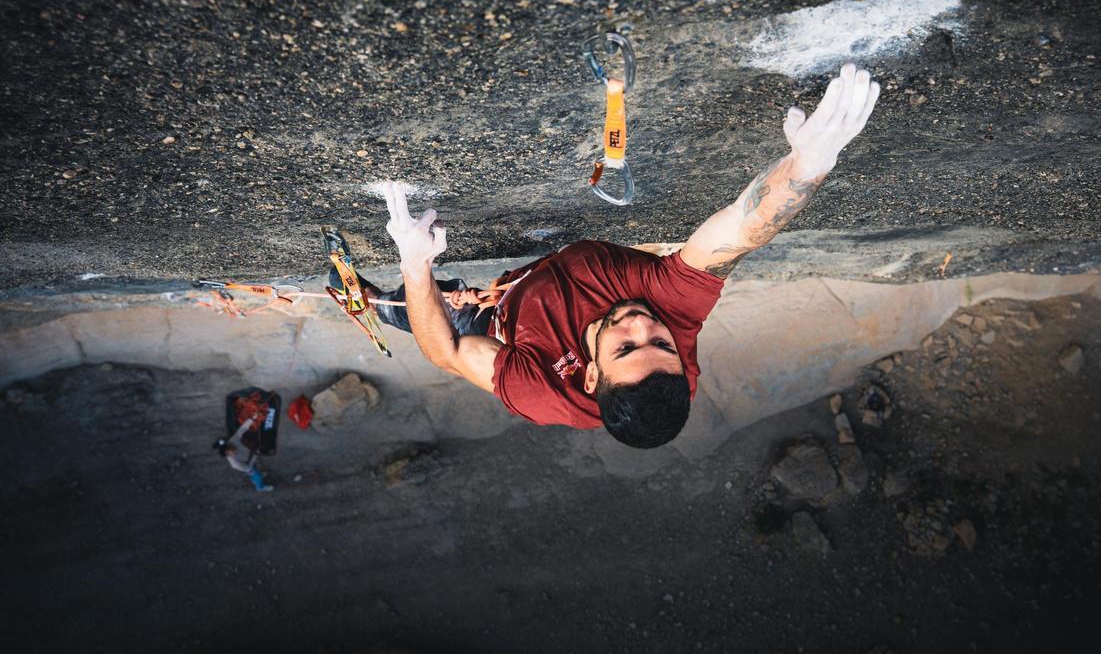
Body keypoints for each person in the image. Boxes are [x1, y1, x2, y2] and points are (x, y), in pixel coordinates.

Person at [337, 63, 880, 448]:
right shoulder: (675, 325)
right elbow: (739, 231)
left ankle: (370, 302)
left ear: (591, 379)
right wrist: (808, 167)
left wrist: (414, 263)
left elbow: (450, 354)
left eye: (625, 348)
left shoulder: (544, 393)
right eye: (660, 343)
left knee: (416, 309)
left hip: (492, 318)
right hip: (533, 283)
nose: (643, 325)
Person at [213, 417, 275, 492]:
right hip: (247, 465)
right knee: (257, 475)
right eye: (229, 451)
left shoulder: (232, 441)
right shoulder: (235, 463)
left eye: (229, 446)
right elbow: (248, 468)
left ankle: (254, 479)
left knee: (255, 469)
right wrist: (254, 456)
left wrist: (251, 420)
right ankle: (260, 487)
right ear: (227, 454)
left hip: (249, 457)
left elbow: (241, 430)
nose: (232, 448)